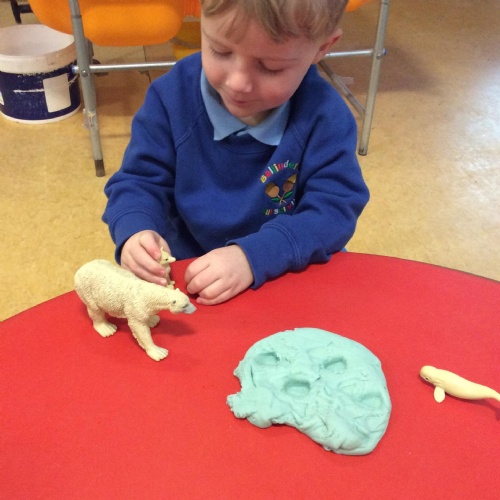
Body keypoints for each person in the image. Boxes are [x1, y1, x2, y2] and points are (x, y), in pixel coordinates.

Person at [102, 0, 370, 306]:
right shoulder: (171, 97)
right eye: (220, 51)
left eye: (271, 67)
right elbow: (138, 181)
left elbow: (334, 210)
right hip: (191, 278)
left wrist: (253, 256)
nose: (238, 83)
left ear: (322, 48)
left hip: (286, 272)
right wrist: (135, 230)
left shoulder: (324, 116)